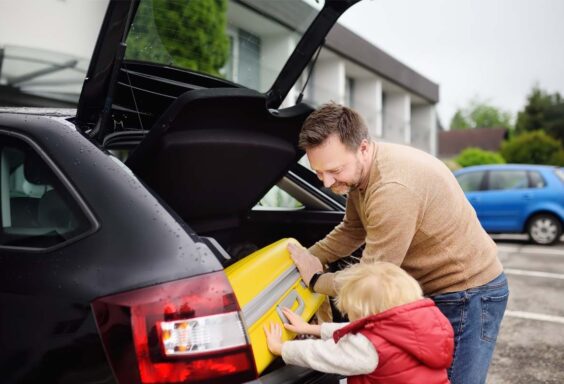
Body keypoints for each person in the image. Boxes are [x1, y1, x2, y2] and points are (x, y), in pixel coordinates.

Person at [287, 102, 508, 384]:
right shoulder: (361, 175)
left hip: (469, 293)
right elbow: (351, 230)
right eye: (319, 172)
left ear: (363, 148)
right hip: (436, 291)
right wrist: (308, 257)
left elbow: (373, 275)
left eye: (334, 170)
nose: (327, 183)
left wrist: (316, 279)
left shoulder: (392, 189)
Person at [264, 262, 454, 383]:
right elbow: (363, 333)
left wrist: (282, 349)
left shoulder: (371, 347)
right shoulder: (421, 323)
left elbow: (325, 354)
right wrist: (311, 328)